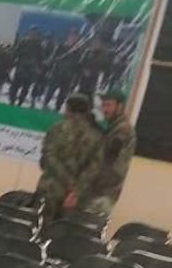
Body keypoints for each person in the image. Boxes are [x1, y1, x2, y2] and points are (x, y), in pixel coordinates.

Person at [35, 93, 101, 223]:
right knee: (62, 231)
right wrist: (75, 190)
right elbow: (93, 170)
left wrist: (66, 180)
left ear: (68, 109)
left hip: (49, 190)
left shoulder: (57, 129)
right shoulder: (96, 136)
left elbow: (47, 159)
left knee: (39, 227)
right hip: (73, 198)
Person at [78, 90, 137, 217]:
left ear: (120, 106)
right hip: (96, 192)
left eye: (109, 105)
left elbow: (106, 157)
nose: (104, 109)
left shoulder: (122, 130)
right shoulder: (113, 128)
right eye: (103, 105)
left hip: (102, 195)